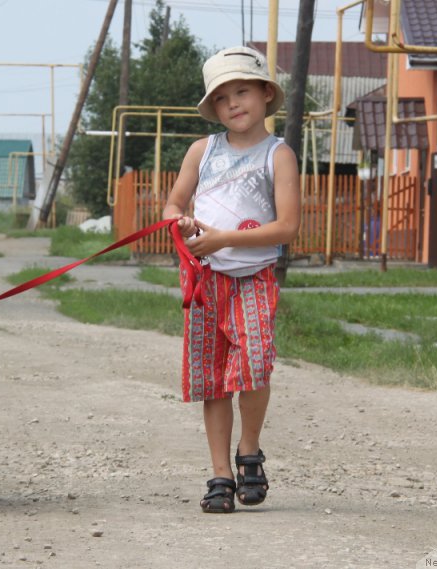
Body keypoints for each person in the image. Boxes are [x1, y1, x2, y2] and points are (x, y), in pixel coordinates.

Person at [162, 46, 301, 513]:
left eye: (242, 91)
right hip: (205, 279)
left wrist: (223, 239)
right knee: (212, 379)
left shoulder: (278, 155)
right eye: (222, 98)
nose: (233, 104)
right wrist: (179, 223)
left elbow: (287, 228)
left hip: (254, 277)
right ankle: (220, 474)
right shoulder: (202, 151)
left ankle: (249, 451)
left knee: (255, 361)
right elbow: (174, 203)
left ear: (265, 93)